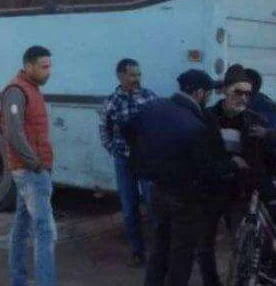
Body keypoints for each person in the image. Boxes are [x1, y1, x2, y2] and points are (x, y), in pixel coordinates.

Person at [125, 69, 247, 286]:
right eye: (209, 92)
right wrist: (233, 164)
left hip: (158, 191)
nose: (210, 97)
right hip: (186, 198)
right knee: (181, 257)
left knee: (160, 249)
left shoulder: (154, 107)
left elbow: (127, 129)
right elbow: (207, 169)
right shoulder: (195, 124)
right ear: (199, 93)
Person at [195, 65, 275, 286]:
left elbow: (268, 159)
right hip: (210, 191)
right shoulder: (206, 118)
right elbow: (200, 159)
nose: (243, 98)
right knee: (205, 244)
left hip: (240, 192)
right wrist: (229, 164)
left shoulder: (256, 121)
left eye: (247, 94)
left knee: (243, 243)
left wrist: (268, 139)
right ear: (224, 91)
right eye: (237, 92)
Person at [3, 45, 56, 286]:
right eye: (44, 67)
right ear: (29, 66)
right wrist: (35, 164)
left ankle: (19, 281)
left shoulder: (31, 89)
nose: (49, 71)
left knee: (21, 229)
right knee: (46, 232)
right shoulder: (16, 91)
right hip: (30, 172)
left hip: (33, 169)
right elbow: (14, 133)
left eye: (50, 66)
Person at [99, 58, 158, 267]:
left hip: (146, 160)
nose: (136, 79)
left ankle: (160, 250)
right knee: (129, 206)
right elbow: (104, 130)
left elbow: (159, 125)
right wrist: (114, 151)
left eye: (139, 74)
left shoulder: (149, 97)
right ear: (121, 76)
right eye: (132, 75)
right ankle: (137, 251)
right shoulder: (111, 101)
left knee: (153, 203)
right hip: (124, 161)